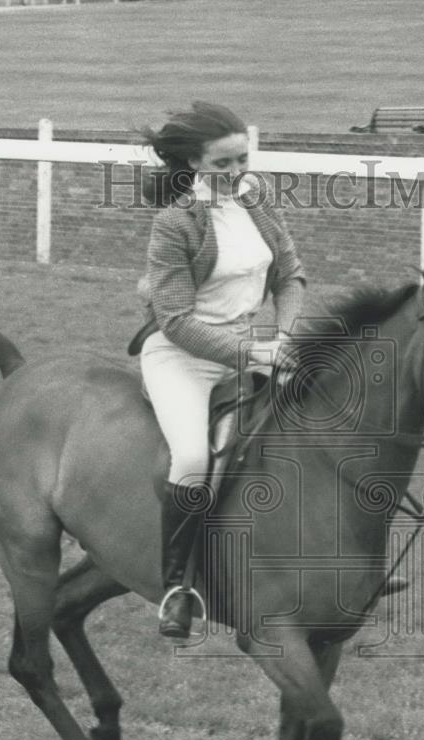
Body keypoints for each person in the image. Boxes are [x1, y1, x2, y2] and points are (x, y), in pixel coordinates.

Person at [132, 101, 306, 639]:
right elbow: (178, 321)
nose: (236, 175)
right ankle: (177, 590)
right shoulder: (174, 222)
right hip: (182, 357)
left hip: (252, 345)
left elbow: (291, 276)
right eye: (222, 165)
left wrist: (284, 335)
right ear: (191, 164)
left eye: (242, 161)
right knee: (191, 458)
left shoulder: (257, 201)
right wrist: (255, 355)